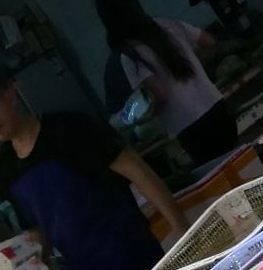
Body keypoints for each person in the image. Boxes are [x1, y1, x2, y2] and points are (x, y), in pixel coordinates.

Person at [0, 65, 187, 270]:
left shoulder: (69, 128)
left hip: (137, 260)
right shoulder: (6, 170)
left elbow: (138, 171)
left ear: (10, 94)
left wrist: (182, 230)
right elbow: (37, 232)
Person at [96, 0, 236, 165]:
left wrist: (149, 115)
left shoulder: (129, 55)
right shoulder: (167, 24)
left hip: (189, 125)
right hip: (216, 106)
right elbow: (209, 41)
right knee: (242, 162)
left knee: (224, 173)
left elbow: (160, 95)